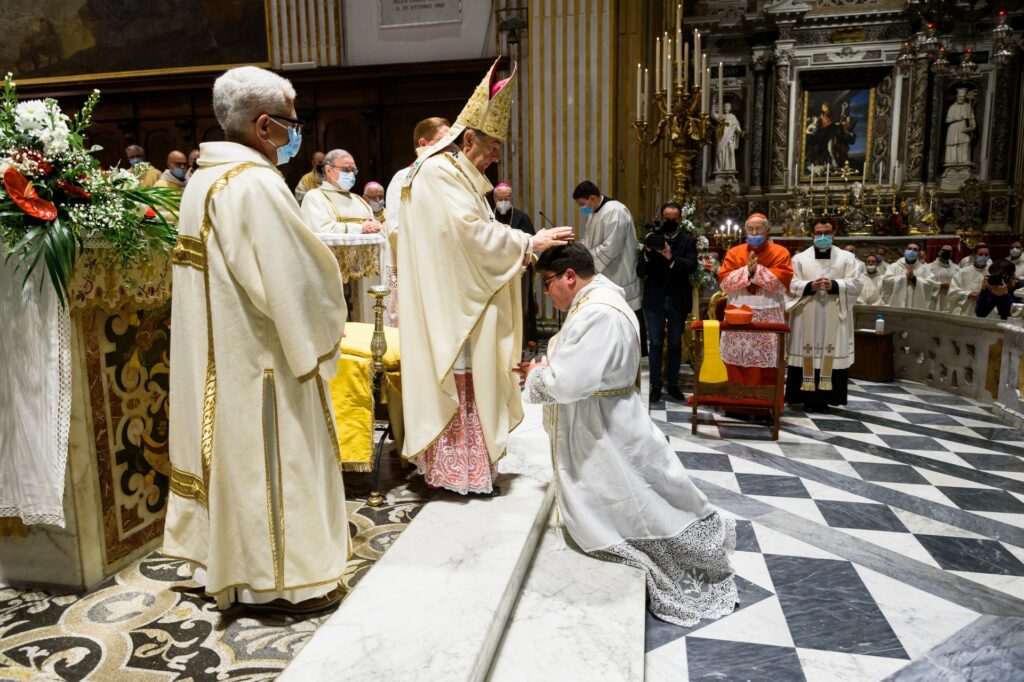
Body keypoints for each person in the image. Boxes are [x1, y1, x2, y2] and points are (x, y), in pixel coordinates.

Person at [164, 66, 348, 614]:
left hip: (224, 356)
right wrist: (326, 313)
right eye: (293, 122)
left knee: (238, 464)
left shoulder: (204, 179)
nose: (298, 133)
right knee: (272, 462)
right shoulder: (253, 184)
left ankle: (242, 574)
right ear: (264, 126)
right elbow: (292, 281)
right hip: (263, 359)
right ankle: (282, 584)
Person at [524, 242, 737, 627]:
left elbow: (570, 383)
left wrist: (537, 374)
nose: (547, 292)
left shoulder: (598, 313)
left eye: (549, 282)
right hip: (610, 415)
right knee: (645, 491)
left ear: (570, 276)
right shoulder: (603, 299)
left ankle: (686, 553)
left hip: (603, 425)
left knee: (634, 501)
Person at [398, 60, 572, 495]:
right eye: (493, 146)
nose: (496, 157)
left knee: (474, 381)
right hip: (454, 306)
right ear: (469, 137)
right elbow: (470, 237)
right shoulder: (439, 172)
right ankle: (458, 471)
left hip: (460, 298)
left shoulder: (456, 174)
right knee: (463, 380)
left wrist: (520, 242)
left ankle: (468, 468)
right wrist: (529, 243)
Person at [785, 219, 862, 413]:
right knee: (806, 352)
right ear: (811, 235)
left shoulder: (846, 258)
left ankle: (829, 398)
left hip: (834, 311)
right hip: (806, 313)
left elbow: (857, 283)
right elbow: (790, 284)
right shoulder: (799, 259)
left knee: (831, 351)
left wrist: (835, 285)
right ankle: (802, 397)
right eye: (818, 233)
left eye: (827, 233)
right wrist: (808, 286)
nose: (822, 237)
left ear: (834, 234)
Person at [383, 116, 451, 327]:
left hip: (446, 269)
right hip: (416, 269)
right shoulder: (403, 179)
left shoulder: (449, 180)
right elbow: (395, 230)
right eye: (442, 140)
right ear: (423, 144)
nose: (448, 148)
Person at [301, 149, 381, 323]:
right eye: (346, 170)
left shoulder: (359, 201)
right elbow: (320, 229)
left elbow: (374, 226)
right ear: (328, 170)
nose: (351, 174)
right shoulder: (315, 197)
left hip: (362, 277)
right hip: (330, 273)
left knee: (363, 317)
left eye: (354, 170)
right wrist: (360, 228)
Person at [717, 213, 793, 386]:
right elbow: (724, 283)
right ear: (745, 230)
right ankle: (734, 403)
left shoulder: (780, 252)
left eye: (758, 229)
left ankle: (764, 404)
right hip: (738, 312)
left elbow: (782, 283)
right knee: (737, 358)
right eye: (750, 229)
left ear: (768, 230)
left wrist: (756, 271)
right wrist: (747, 271)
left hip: (768, 312)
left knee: (766, 360)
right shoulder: (734, 252)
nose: (754, 233)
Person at [636, 202, 697, 403]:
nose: (670, 221)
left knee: (674, 344)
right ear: (661, 219)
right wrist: (646, 250)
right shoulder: (653, 240)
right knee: (655, 343)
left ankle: (673, 385)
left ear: (679, 219)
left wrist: (671, 259)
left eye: (673, 218)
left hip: (677, 299)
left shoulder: (687, 241)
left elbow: (691, 266)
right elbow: (641, 272)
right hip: (655, 300)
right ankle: (655, 386)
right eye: (666, 218)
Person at [574, 180, 643, 350]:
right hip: (605, 275)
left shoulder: (615, 211)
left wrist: (586, 260)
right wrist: (577, 248)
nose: (582, 208)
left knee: (624, 328)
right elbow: (589, 240)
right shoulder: (594, 212)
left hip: (619, 275)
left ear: (591, 198)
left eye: (582, 204)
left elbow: (611, 248)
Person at [493, 181, 538, 344]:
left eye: (506, 198)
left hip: (519, 270)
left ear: (511, 197)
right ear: (494, 198)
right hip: (495, 270)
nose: (503, 202)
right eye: (500, 199)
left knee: (522, 303)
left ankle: (527, 337)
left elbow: (532, 242)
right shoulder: (488, 216)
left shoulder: (521, 217)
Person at [883, 242, 933, 309]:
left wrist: (914, 279)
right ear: (905, 251)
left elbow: (930, 284)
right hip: (897, 303)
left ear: (918, 253)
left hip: (916, 304)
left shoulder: (924, 269)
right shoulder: (893, 266)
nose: (911, 251)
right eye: (909, 248)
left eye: (915, 250)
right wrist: (904, 277)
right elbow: (886, 281)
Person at [948, 245, 991, 316]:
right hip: (966, 309)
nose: (983, 257)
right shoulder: (963, 272)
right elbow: (952, 291)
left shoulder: (992, 272)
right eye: (980, 254)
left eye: (986, 255)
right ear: (974, 255)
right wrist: (968, 294)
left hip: (986, 310)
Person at [944, 87, 976, 167]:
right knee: (953, 144)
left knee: (965, 142)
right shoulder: (952, 107)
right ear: (956, 96)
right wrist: (956, 118)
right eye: (959, 97)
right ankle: (952, 161)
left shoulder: (968, 106)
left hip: (963, 128)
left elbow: (972, 120)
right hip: (953, 128)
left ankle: (963, 161)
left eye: (963, 97)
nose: (961, 99)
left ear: (965, 97)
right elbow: (947, 120)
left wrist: (971, 128)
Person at [711, 101, 743, 175]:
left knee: (731, 152)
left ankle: (731, 167)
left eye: (727, 107)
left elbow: (737, 126)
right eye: (725, 106)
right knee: (720, 152)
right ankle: (719, 168)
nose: (726, 108)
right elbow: (713, 115)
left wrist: (740, 131)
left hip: (730, 137)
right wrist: (713, 104)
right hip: (721, 137)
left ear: (730, 108)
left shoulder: (733, 117)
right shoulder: (721, 116)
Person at [922, 245, 957, 312]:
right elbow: (925, 283)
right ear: (939, 252)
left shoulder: (957, 269)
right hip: (934, 300)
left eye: (949, 251)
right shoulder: (928, 267)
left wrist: (952, 286)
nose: (947, 252)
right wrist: (939, 285)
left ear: (952, 253)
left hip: (950, 299)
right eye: (944, 250)